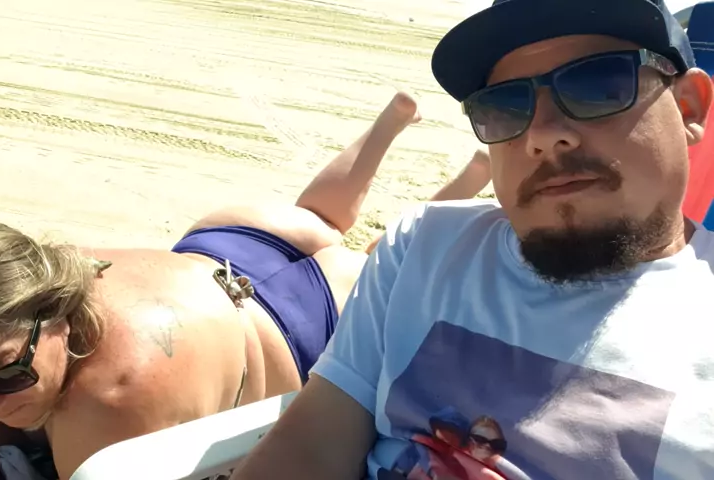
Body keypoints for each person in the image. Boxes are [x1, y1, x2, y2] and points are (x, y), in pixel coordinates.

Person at [0, 91, 488, 480]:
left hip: (309, 322)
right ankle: (396, 131)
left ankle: (443, 189)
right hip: (240, 240)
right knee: (321, 221)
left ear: (55, 317)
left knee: (382, 262)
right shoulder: (42, 268)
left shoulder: (110, 405)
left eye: (2, 378)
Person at [232, 0, 714, 479]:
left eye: (598, 86)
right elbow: (310, 447)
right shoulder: (427, 247)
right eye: (505, 106)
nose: (543, 136)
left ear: (688, 107)